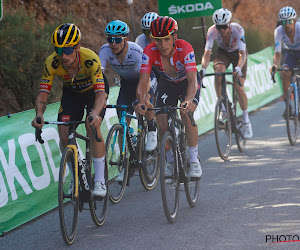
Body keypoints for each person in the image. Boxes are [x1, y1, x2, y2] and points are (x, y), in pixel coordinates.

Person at [31, 23, 109, 197]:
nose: (63, 55)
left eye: (67, 50)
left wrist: (95, 113)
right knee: (64, 133)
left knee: (92, 126)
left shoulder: (90, 58)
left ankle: (100, 181)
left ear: (77, 47)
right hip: (72, 93)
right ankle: (76, 174)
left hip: (94, 93)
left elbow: (101, 93)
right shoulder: (52, 62)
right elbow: (43, 93)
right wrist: (39, 114)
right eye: (58, 50)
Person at [134, 16, 202, 178]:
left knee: (186, 114)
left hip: (187, 82)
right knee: (162, 121)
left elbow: (193, 80)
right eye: (158, 40)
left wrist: (190, 99)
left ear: (174, 38)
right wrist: (141, 100)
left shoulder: (185, 48)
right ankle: (171, 161)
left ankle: (194, 161)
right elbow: (143, 81)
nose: (162, 44)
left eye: (166, 39)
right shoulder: (149, 51)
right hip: (167, 84)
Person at [98, 20, 157, 151]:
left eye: (118, 40)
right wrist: (99, 98)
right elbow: (99, 77)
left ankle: (152, 127)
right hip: (126, 82)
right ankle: (124, 161)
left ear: (126, 39)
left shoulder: (136, 51)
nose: (113, 43)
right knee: (122, 117)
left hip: (145, 78)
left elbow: (144, 78)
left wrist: (141, 98)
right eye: (110, 39)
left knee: (144, 102)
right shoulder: (104, 50)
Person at [200, 8, 253, 139]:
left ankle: (246, 121)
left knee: (239, 87)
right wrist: (203, 69)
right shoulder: (212, 31)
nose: (222, 30)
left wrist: (239, 67)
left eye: (224, 27)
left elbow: (242, 54)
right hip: (223, 53)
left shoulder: (238, 30)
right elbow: (207, 53)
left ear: (229, 24)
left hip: (239, 54)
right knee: (218, 72)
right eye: (219, 27)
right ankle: (223, 108)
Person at [269, 6, 299, 118]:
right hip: (290, 52)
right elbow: (277, 54)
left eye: (290, 21)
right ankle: (288, 106)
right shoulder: (278, 31)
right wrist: (275, 65)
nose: (287, 24)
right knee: (285, 73)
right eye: (284, 22)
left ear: (294, 21)